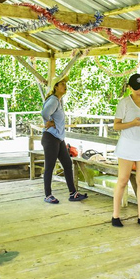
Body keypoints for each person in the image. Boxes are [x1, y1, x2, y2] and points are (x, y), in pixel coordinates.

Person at [112, 73, 140, 228]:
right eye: (136, 88)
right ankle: (115, 216)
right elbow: (116, 125)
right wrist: (132, 123)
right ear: (130, 88)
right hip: (127, 145)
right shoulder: (124, 103)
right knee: (123, 180)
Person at [40, 76, 88, 204]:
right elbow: (44, 113)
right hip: (50, 138)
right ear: (56, 87)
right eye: (61, 84)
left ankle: (73, 193)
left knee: (67, 164)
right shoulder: (54, 100)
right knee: (49, 166)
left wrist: (55, 123)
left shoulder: (59, 101)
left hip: (58, 138)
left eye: (65, 84)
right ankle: (48, 195)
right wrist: (51, 122)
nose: (64, 86)